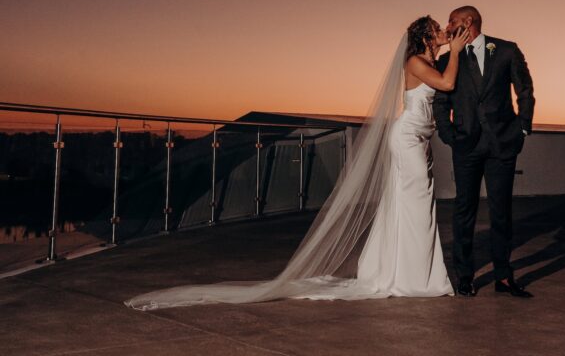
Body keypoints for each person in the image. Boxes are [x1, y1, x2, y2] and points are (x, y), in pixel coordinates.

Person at [126, 16, 470, 310]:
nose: (443, 33)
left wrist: (452, 51)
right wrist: (453, 52)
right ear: (425, 36)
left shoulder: (430, 61)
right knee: (415, 205)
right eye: (438, 30)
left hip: (419, 141)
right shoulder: (415, 63)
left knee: (413, 206)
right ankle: (414, 277)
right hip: (407, 139)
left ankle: (406, 271)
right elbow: (448, 83)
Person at [433, 5, 535, 299]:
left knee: (501, 212)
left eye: (452, 20)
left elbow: (524, 89)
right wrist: (448, 134)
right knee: (464, 211)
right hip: (465, 145)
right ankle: (464, 277)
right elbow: (441, 102)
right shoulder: (446, 59)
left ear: (468, 22)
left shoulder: (505, 50)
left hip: (502, 143)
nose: (447, 24)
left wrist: (523, 127)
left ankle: (504, 278)